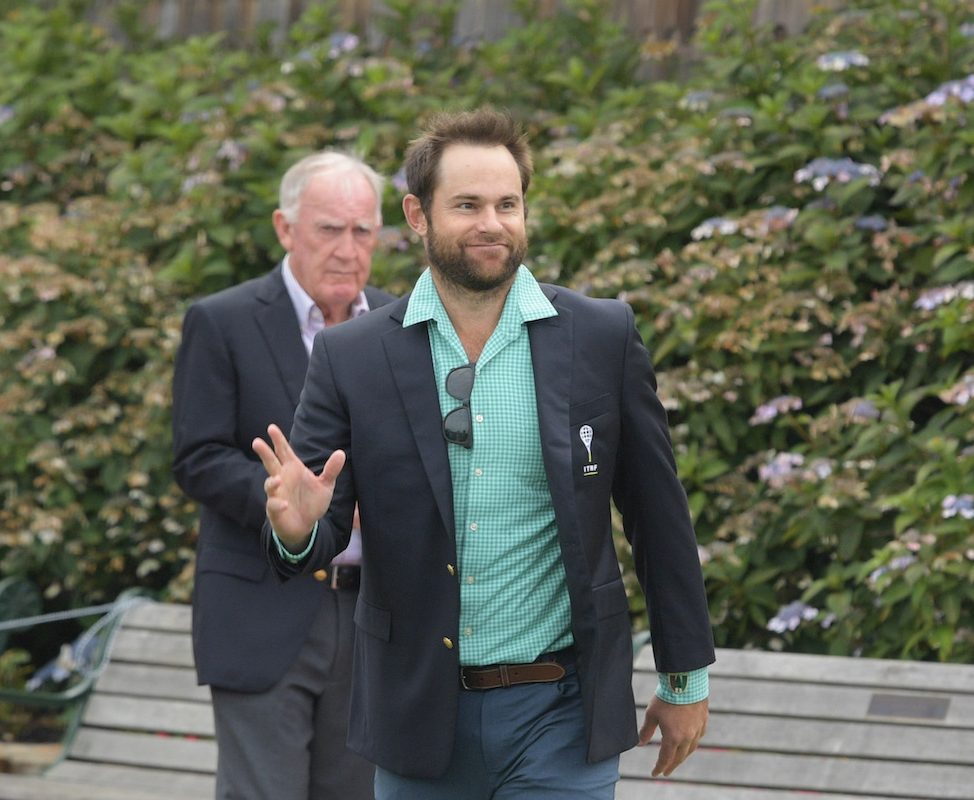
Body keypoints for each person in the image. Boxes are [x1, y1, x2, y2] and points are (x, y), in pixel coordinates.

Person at [253, 108, 715, 800]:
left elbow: (659, 517)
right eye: (466, 205)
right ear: (417, 214)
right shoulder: (353, 357)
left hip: (562, 711)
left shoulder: (601, 336)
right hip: (418, 715)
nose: (491, 224)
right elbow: (312, 529)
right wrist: (296, 533)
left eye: (508, 204)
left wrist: (685, 679)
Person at [171, 151, 394, 800]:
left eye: (363, 231)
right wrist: (283, 503)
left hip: (371, 614)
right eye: (329, 229)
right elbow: (197, 456)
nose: (348, 249)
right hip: (261, 610)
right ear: (284, 228)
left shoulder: (398, 324)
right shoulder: (223, 320)